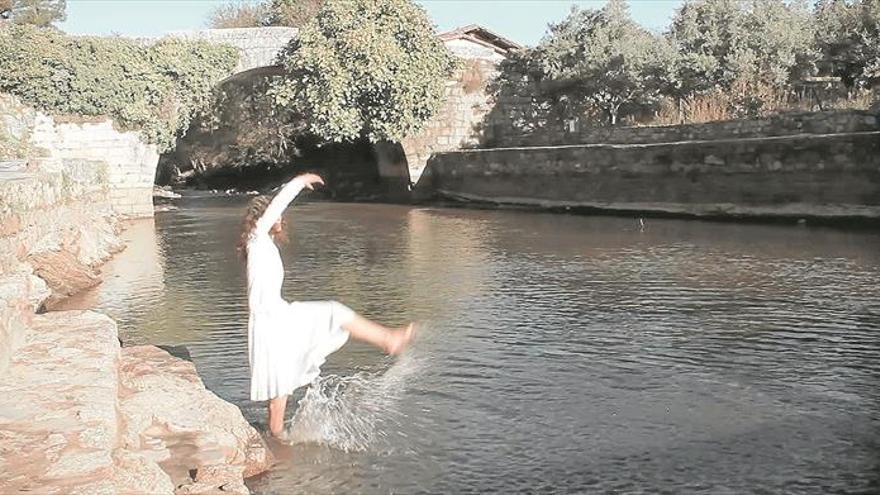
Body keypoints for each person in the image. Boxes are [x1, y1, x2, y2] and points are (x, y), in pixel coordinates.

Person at [238, 173, 414, 438]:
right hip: (269, 319)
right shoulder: (257, 239)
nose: (281, 220)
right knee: (332, 315)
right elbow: (276, 206)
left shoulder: (264, 245)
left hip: (276, 314)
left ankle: (277, 439)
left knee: (280, 384)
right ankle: (388, 339)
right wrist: (298, 182)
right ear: (263, 219)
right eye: (277, 216)